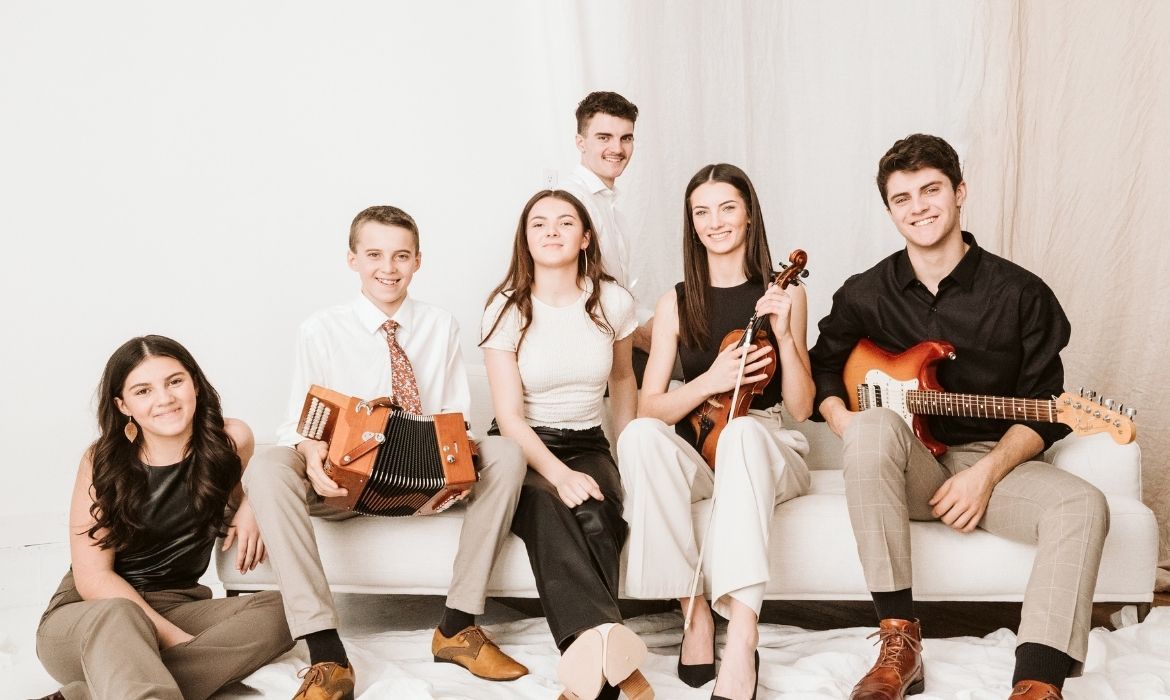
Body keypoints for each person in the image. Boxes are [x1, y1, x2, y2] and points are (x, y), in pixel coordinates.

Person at [807, 133, 1108, 700]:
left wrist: (985, 475)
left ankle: (1037, 681)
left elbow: (1045, 408)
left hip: (995, 465)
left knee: (1083, 504)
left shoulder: (1021, 294)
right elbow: (823, 367)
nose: (918, 207)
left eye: (931, 190)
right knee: (871, 425)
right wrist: (844, 421)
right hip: (905, 469)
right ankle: (900, 642)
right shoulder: (865, 293)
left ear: (960, 192)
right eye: (902, 198)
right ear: (889, 210)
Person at [242, 206, 529, 699]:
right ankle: (326, 653)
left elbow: (452, 414)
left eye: (401, 256)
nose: (388, 268)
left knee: (505, 452)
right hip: (339, 483)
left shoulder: (440, 324)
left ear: (418, 261)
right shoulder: (320, 329)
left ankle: (457, 627)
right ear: (352, 260)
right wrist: (311, 454)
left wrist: (455, 464)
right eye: (374, 254)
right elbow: (297, 425)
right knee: (268, 464)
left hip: (421, 481)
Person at [616, 163, 813, 700]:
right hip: (703, 447)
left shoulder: (783, 294)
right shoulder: (676, 302)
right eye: (701, 212)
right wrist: (710, 381)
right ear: (692, 224)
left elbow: (801, 407)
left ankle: (744, 636)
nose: (715, 222)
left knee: (742, 435)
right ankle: (694, 612)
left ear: (749, 215)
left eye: (727, 208)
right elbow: (650, 408)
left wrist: (784, 336)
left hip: (768, 444)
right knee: (637, 437)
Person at [36, 335, 292, 700]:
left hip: (178, 605)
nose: (164, 399)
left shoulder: (230, 440)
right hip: (93, 616)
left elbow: (251, 489)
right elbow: (93, 579)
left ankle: (90, 694)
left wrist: (252, 504)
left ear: (195, 384)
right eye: (143, 391)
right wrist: (179, 642)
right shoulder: (102, 460)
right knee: (119, 614)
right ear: (123, 405)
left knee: (287, 611)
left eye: (174, 381)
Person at [480, 189, 650, 700]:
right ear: (526, 239)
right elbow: (510, 418)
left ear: (586, 237)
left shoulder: (612, 302)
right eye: (539, 223)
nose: (551, 231)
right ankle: (606, 670)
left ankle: (587, 673)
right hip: (521, 448)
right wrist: (558, 474)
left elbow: (623, 379)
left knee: (598, 512)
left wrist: (626, 451)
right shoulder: (505, 308)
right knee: (548, 506)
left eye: (565, 222)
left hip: (587, 442)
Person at [559, 91, 655, 375]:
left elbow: (618, 295)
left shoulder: (612, 209)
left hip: (617, 335)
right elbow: (575, 301)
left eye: (626, 138)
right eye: (604, 137)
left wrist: (660, 323)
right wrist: (644, 338)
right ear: (580, 142)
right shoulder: (570, 202)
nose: (617, 148)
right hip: (590, 350)